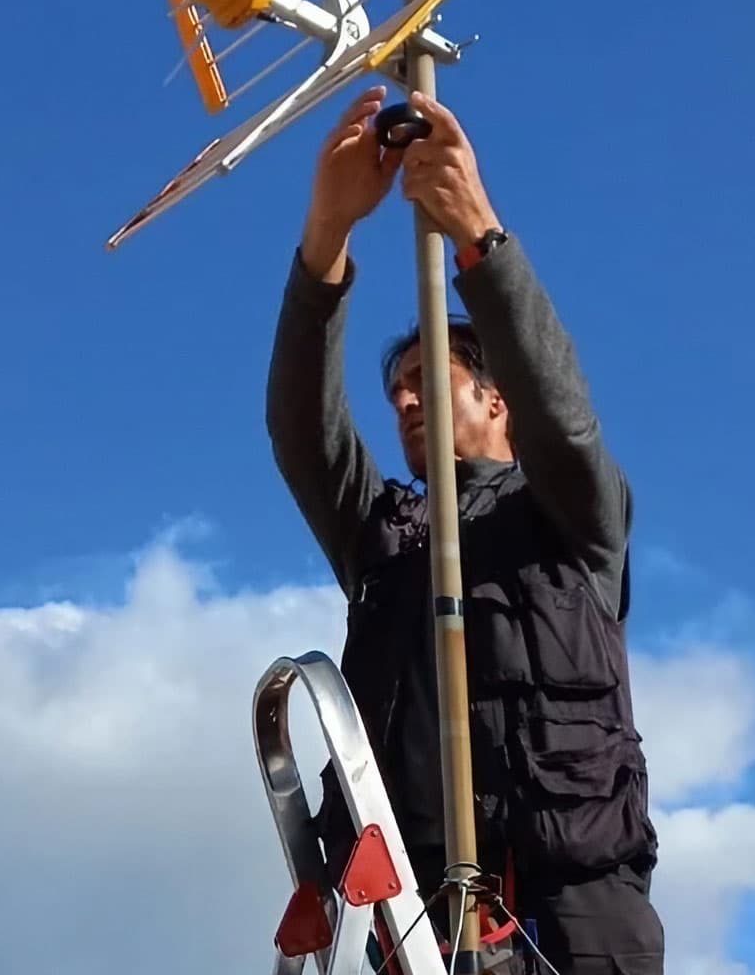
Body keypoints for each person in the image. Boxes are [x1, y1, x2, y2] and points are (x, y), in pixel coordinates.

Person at [265, 84, 665, 975]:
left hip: (579, 919)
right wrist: (326, 240)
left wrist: (477, 235)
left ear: (495, 397)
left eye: (427, 376)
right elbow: (304, 433)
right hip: (417, 923)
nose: (405, 398)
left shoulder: (572, 514)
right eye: (396, 388)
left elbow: (563, 420)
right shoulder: (386, 536)